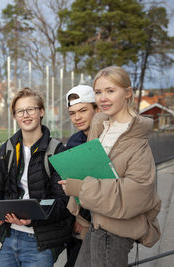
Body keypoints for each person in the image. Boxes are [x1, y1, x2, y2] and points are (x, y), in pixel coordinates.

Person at [59, 66, 161, 267]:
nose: (103, 98)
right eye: (98, 92)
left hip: (116, 231)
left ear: (128, 93)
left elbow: (136, 193)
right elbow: (92, 172)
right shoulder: (101, 126)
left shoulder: (137, 138)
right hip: (96, 224)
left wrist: (80, 188)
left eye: (110, 91)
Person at [0, 87, 73, 267]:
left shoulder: (57, 151)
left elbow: (62, 201)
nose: (25, 115)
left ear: (41, 112)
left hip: (39, 242)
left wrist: (32, 218)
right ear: (15, 116)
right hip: (6, 238)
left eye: (31, 109)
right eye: (20, 111)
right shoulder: (7, 149)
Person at [64, 85, 98, 267]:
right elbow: (75, 182)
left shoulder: (109, 138)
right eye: (72, 113)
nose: (77, 117)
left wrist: (85, 219)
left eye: (83, 110)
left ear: (97, 108)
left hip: (104, 223)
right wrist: (78, 217)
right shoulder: (74, 141)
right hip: (79, 221)